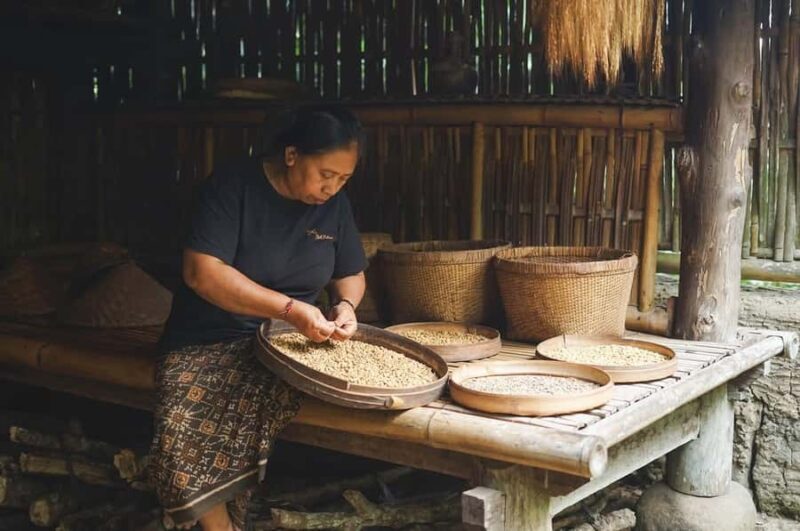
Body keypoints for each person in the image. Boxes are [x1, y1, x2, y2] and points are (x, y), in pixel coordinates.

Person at [149, 104, 367, 531]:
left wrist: (346, 306)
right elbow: (201, 272)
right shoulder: (233, 187)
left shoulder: (335, 206)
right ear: (291, 155)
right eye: (325, 174)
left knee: (269, 396)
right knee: (181, 422)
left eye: (343, 179)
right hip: (210, 336)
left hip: (294, 342)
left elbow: (351, 273)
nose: (332, 188)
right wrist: (289, 308)